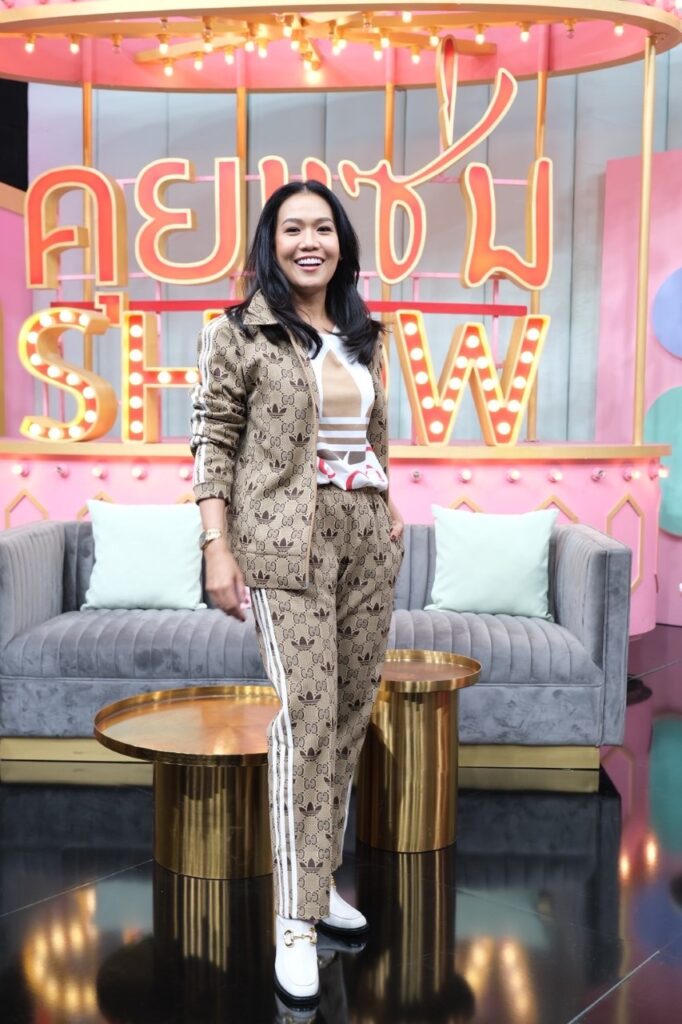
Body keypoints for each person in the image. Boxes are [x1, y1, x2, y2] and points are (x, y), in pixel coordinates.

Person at [190, 180, 405, 1009]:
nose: (308, 241)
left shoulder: (365, 334)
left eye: (323, 227)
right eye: (292, 229)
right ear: (271, 243)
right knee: (305, 720)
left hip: (365, 536)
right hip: (283, 543)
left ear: (342, 243)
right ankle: (293, 922)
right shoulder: (237, 332)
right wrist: (217, 545)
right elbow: (214, 438)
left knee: (348, 717)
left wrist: (388, 502)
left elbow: (370, 433)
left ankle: (318, 885)